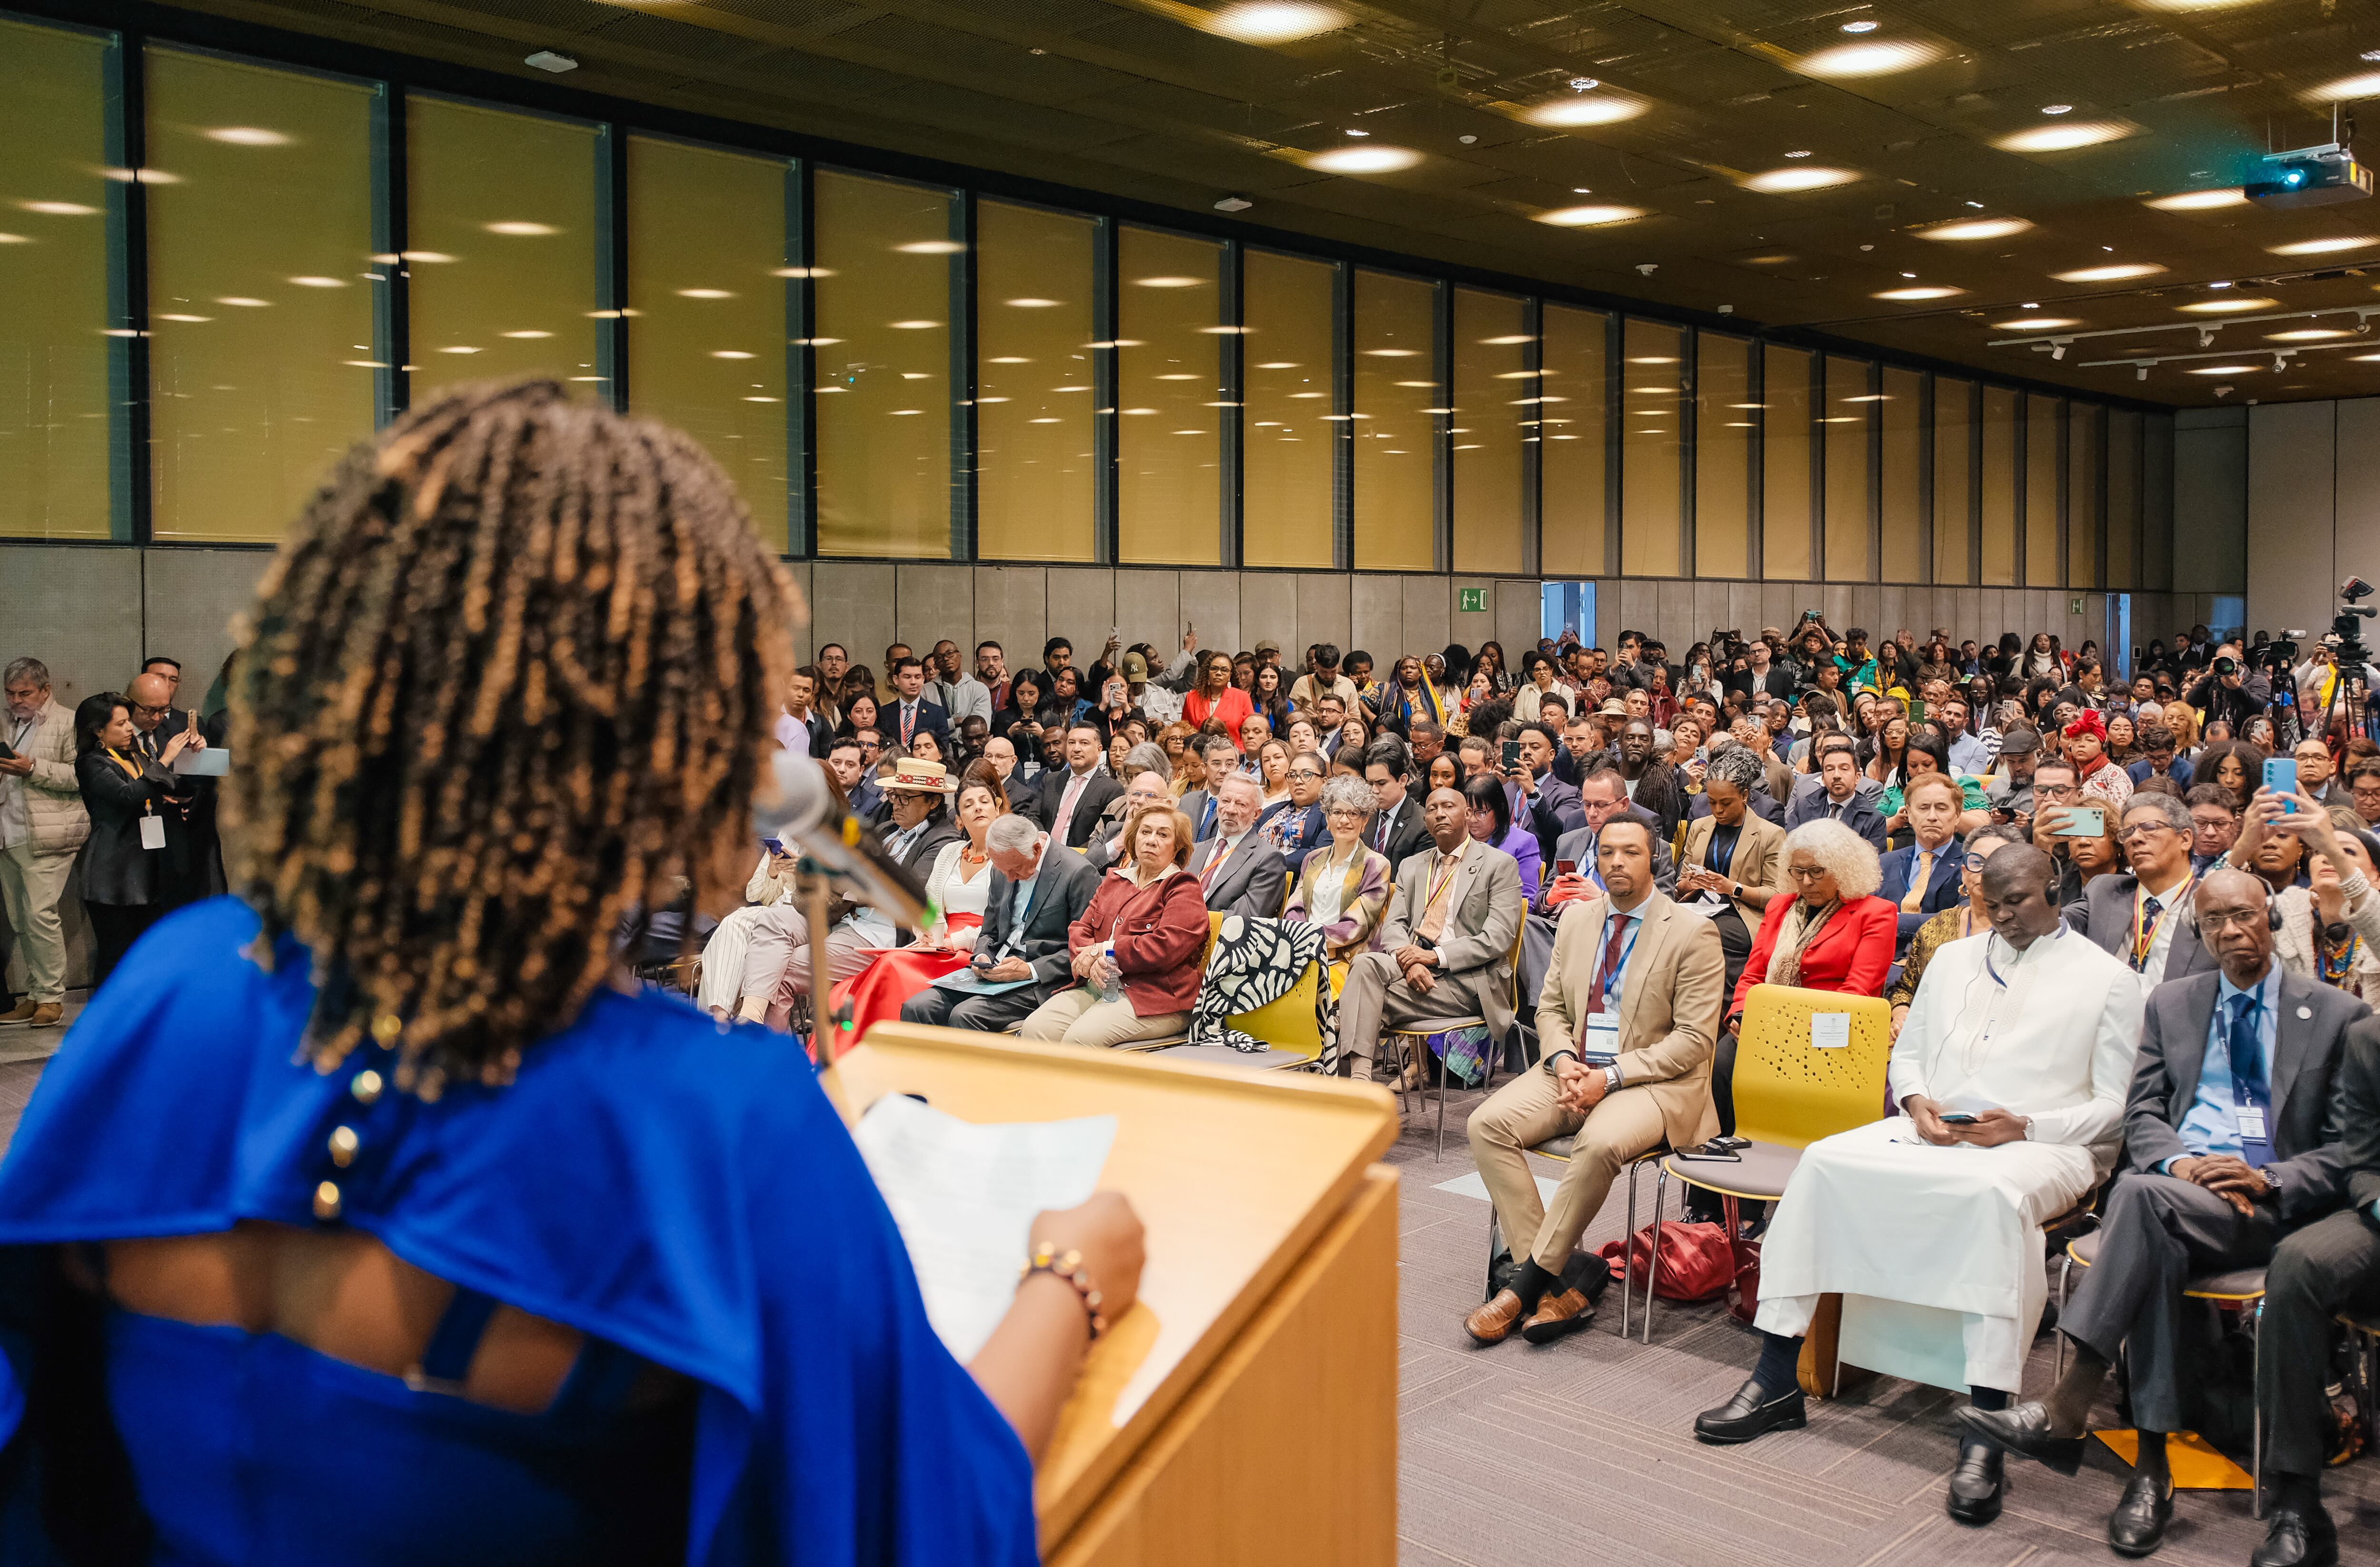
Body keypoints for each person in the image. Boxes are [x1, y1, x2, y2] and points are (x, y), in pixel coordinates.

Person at [0, 382, 1130, 1564]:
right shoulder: (714, 1123)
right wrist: (1069, 1279)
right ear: (673, 741)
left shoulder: (171, 993)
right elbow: (930, 1525)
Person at [1697, 847, 2143, 1530]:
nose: (2003, 916)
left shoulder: (2109, 979)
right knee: (1822, 1163)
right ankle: (1775, 1376)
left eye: (2019, 901)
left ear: (2055, 890)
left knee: (1992, 1198)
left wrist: (2028, 1121)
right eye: (1992, 903)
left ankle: (1986, 1426)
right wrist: (1914, 1098)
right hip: (1938, 1127)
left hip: (2047, 1144)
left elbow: (2115, 1102)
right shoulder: (1958, 957)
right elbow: (1910, 1049)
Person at [1958, 867, 2368, 1561]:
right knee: (2151, 1214)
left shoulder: (2333, 1012)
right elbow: (2144, 1111)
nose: (2232, 931)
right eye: (2214, 922)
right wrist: (2180, 1163)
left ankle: (2096, 1429)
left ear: (2269, 915)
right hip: (2181, 1194)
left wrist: (2267, 1176)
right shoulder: (2174, 1003)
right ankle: (2146, 1469)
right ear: (2198, 931)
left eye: (2244, 915)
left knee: (2139, 1207)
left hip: (2271, 1207)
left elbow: (2347, 1148)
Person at [1464, 813, 1727, 1344]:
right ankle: (1568, 1277)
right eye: (1606, 852)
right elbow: (1551, 1009)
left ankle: (1526, 1284)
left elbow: (1694, 1042)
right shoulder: (1577, 919)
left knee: (1598, 1141)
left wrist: (1608, 1078)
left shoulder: (1693, 931)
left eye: (1629, 852)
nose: (1615, 862)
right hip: (1574, 1067)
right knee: (1485, 1124)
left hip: (1654, 1081)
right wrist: (1561, 1060)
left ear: (1651, 858)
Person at [1708, 820, 1894, 1138]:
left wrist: (1787, 1028)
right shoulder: (1781, 906)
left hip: (1831, 1033)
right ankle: (1722, 1165)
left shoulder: (1876, 913)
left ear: (1842, 868)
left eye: (1817, 871)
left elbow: (1857, 993)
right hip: (1766, 1025)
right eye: (1797, 871)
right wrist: (1740, 1013)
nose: (1806, 881)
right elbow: (1753, 974)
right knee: (1724, 1061)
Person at [1334, 787, 1525, 1083]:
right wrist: (1411, 962)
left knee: (1361, 999)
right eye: (1432, 808)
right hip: (1411, 964)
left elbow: (1497, 938)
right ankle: (1360, 1080)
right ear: (1425, 821)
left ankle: (1350, 1079)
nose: (1440, 813)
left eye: (1448, 806)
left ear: (1468, 815)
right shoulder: (1412, 866)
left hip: (1466, 980)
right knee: (1365, 965)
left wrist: (1435, 957)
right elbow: (1394, 926)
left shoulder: (1498, 865)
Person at [826, 772, 1006, 1039]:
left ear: (997, 808)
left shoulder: (1006, 857)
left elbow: (1006, 922)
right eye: (968, 805)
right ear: (959, 816)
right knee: (875, 972)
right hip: (940, 944)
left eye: (984, 802)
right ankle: (855, 1052)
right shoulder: (951, 852)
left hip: (980, 947)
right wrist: (925, 931)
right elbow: (929, 905)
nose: (978, 808)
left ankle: (880, 1051)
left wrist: (954, 941)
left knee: (891, 967)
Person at [1020, 803, 1207, 1048]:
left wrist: (1103, 951)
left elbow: (1164, 948)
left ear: (1177, 848)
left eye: (1163, 835)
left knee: (1081, 1039)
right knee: (1035, 1029)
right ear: (1134, 837)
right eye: (1145, 832)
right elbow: (1080, 929)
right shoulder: (1115, 880)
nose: (1151, 841)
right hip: (1097, 985)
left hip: (1156, 997)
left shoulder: (1183, 888)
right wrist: (1090, 961)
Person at [902, 813, 1104, 1035]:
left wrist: (1030, 970)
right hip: (996, 968)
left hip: (1040, 979)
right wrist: (982, 957)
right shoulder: (1002, 867)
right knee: (918, 1007)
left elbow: (1084, 949)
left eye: (1015, 870)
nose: (1008, 878)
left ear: (1036, 850)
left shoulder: (1078, 873)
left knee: (966, 1015)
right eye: (1002, 870)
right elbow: (989, 931)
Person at [73, 692, 192, 986]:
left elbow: (162, 790)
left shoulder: (137, 755)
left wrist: (192, 760)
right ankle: (108, 1026)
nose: (130, 729)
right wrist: (164, 761)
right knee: (117, 957)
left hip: (148, 868)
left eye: (129, 722)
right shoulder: (92, 763)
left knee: (148, 957)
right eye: (121, 724)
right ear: (98, 731)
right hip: (113, 873)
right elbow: (129, 797)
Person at [0, 659, 86, 1027]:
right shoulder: (5, 721)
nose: (16, 700)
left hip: (49, 833)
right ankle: (35, 995)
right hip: (9, 831)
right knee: (22, 919)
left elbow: (82, 774)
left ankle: (52, 997)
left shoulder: (68, 722)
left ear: (46, 690)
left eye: (25, 693)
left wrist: (33, 768)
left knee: (40, 915)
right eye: (10, 692)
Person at [1887, 823, 2026, 1038]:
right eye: (1977, 863)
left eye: (1999, 863)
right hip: (1933, 1037)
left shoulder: (2028, 931)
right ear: (1964, 873)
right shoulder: (1937, 926)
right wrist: (1901, 1013)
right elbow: (1904, 989)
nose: (1986, 872)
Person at [1673, 746, 1787, 1005]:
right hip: (1698, 906)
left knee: (1704, 933)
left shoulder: (1770, 834)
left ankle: (1723, 1008)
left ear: (1745, 795)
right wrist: (1687, 885)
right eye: (1712, 802)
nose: (1718, 810)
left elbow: (1778, 896)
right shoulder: (1700, 828)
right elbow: (1680, 884)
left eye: (1726, 803)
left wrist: (1732, 888)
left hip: (1743, 912)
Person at [1284, 775, 1393, 993]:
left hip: (1343, 961)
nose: (1344, 821)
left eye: (1353, 814)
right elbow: (1294, 908)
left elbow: (1355, 927)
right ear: (1327, 818)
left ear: (1364, 821)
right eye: (1337, 812)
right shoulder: (1312, 859)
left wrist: (1309, 939)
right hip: (1299, 952)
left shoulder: (1376, 864)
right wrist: (1298, 939)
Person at [2265, 798, 2380, 997]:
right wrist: (2244, 845)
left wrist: (2334, 851)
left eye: (2348, 851)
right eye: (2320, 851)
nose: (2328, 856)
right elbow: (2201, 918)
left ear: (2377, 878)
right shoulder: (2285, 911)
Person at [1877, 773, 1966, 956]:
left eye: (1941, 808)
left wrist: (1891, 921)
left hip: (1939, 961)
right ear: (1909, 814)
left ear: (1957, 816)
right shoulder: (1884, 864)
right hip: (1880, 960)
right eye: (1924, 808)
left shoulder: (1971, 866)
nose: (1932, 817)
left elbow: (1959, 919)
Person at [1184, 774, 1289, 921]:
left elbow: (1246, 917)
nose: (1230, 810)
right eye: (1225, 801)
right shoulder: (1194, 851)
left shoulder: (1268, 859)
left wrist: (1187, 921)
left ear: (1256, 814)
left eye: (1241, 805)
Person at [1785, 737, 1888, 850]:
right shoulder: (1804, 807)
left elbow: (1873, 863)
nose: (1837, 775)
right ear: (1823, 778)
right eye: (1830, 769)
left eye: (1844, 769)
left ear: (1857, 777)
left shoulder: (1873, 820)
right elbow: (1790, 847)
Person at [1035, 720, 1122, 850]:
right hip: (1044, 854)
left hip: (1083, 861)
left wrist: (1069, 857)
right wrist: (1044, 842)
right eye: (1071, 743)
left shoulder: (1111, 789)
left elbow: (1106, 835)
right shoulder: (1050, 780)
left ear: (1099, 750)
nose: (1076, 749)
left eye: (1084, 743)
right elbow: (1033, 816)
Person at [1464, 772, 1541, 906]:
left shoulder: (1523, 843)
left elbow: (1526, 901)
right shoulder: (1461, 841)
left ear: (1499, 809)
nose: (1472, 820)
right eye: (1468, 812)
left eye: (1481, 813)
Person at [1084, 763, 1173, 872]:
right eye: (1137, 794)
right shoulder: (1112, 829)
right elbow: (1084, 866)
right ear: (1127, 798)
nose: (1140, 801)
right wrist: (1120, 841)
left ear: (1167, 804)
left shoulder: (1167, 839)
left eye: (1151, 796)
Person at [1362, 742, 1432, 869]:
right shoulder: (1364, 816)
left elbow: (1416, 877)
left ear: (1403, 780)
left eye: (1381, 783)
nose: (1374, 790)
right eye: (1370, 783)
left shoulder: (1423, 825)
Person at [1257, 750, 1329, 872]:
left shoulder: (1329, 814)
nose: (1298, 781)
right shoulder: (1271, 811)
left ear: (1324, 782)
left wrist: (1273, 865)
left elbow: (1320, 852)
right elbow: (1249, 842)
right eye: (1292, 775)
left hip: (1295, 879)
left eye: (1307, 774)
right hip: (1256, 873)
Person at [1175, 734, 1242, 844]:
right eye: (1217, 764)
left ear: (1237, 768)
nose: (1224, 770)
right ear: (1204, 768)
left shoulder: (1243, 807)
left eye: (1229, 764)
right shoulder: (1187, 802)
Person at [1181, 650, 1255, 747]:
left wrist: (1240, 752)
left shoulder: (1242, 697)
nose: (1219, 673)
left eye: (1224, 670)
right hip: (1199, 754)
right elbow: (1185, 730)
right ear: (1207, 672)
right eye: (1214, 669)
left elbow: (1250, 731)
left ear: (1230, 675)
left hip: (1233, 754)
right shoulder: (1192, 697)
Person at [2185, 782, 2243, 872]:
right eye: (2201, 822)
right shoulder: (2169, 859)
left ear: (2236, 825)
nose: (2210, 832)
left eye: (2220, 824)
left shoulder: (2245, 863)